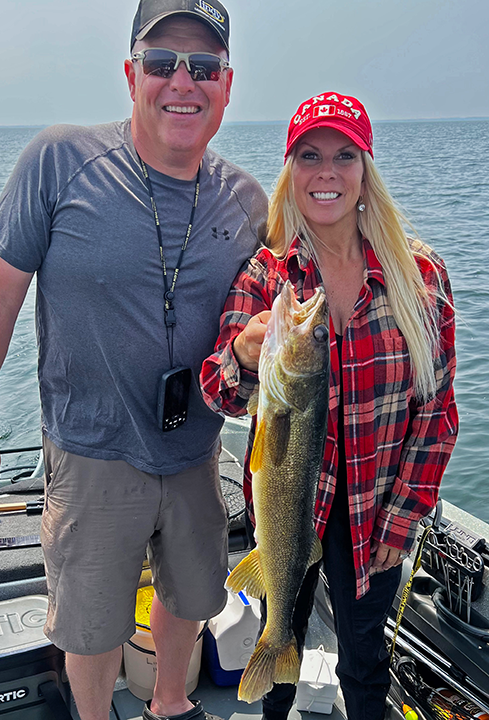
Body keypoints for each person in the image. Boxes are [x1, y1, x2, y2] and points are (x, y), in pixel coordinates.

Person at [0, 1, 268, 719]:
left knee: (191, 595)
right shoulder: (57, 160)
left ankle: (169, 703)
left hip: (197, 448)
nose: (184, 81)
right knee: (90, 620)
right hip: (90, 452)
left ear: (227, 87)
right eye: (162, 62)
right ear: (130, 74)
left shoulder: (247, 201)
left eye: (204, 67)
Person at [200, 91, 458, 720]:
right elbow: (217, 390)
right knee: (279, 642)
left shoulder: (419, 278)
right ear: (291, 171)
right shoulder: (268, 276)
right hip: (291, 512)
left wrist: (400, 523)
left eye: (345, 155)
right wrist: (243, 349)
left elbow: (438, 415)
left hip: (375, 514)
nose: (327, 172)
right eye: (310, 155)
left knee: (366, 661)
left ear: (366, 170)